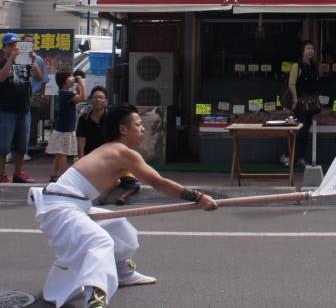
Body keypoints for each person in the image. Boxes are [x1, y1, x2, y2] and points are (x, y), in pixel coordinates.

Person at [29, 104, 218, 307]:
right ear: (123, 129)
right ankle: (95, 299)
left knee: (119, 226)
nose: (143, 128)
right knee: (100, 242)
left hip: (74, 204)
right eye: (138, 124)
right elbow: (159, 183)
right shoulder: (123, 152)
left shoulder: (113, 149)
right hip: (61, 207)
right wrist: (198, 197)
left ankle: (123, 273)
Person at [0, 32, 43, 183]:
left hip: (24, 109)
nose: (14, 47)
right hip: (6, 110)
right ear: (4, 47)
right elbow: (0, 77)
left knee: (21, 145)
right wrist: (11, 59)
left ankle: (18, 173)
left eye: (16, 45)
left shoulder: (25, 63)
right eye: (11, 45)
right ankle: (2, 175)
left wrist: (33, 62)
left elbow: (39, 77)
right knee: (3, 145)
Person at [286, 40, 320, 167]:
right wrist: (295, 100)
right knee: (300, 131)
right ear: (302, 51)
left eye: (312, 48)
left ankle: (299, 157)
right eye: (308, 48)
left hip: (310, 105)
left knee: (306, 131)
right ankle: (293, 157)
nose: (311, 51)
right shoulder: (297, 66)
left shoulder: (313, 66)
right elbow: (291, 84)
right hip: (300, 105)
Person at [47, 71, 85, 182]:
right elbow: (83, 98)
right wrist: (82, 85)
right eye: (70, 77)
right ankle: (62, 177)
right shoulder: (66, 94)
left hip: (62, 128)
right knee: (63, 153)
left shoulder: (64, 93)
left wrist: (78, 91)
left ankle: (54, 174)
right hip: (65, 129)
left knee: (60, 153)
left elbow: (76, 101)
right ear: (64, 81)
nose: (72, 78)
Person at [75, 85, 109, 158]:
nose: (98, 100)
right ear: (90, 100)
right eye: (95, 97)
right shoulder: (83, 119)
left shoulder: (111, 118)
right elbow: (80, 141)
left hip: (107, 158)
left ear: (106, 101)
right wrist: (82, 159)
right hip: (89, 158)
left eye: (101, 97)